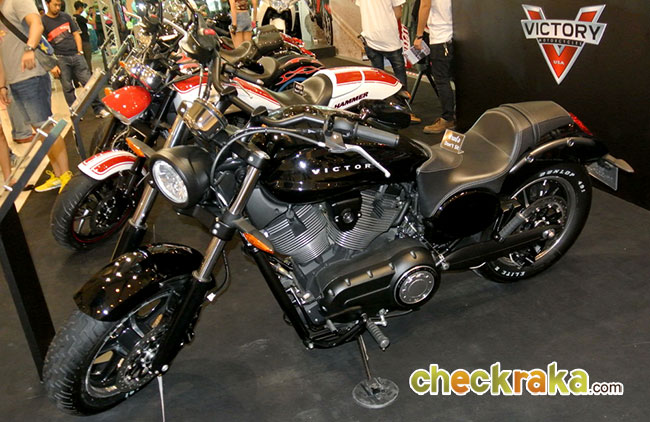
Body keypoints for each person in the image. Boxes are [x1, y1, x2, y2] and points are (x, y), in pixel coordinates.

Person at [0, 0, 72, 192]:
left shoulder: (16, 1)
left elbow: (37, 24)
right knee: (40, 131)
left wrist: (29, 49)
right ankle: (58, 174)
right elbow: (2, 53)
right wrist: (2, 85)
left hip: (31, 75)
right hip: (15, 80)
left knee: (46, 127)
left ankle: (66, 175)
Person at [42, 0, 109, 118]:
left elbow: (76, 34)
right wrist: (52, 64)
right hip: (60, 58)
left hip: (76, 54)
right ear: (47, 4)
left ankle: (98, 108)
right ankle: (76, 112)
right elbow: (44, 44)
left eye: (59, 5)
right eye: (55, 5)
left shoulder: (66, 17)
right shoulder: (43, 22)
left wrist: (80, 51)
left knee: (88, 83)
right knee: (68, 88)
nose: (57, 8)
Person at [356, 0, 420, 123]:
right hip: (389, 37)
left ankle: (380, 111)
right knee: (400, 75)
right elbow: (398, 13)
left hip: (370, 37)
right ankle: (403, 111)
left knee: (378, 77)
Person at [415, 0, 455, 134]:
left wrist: (419, 35)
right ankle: (453, 115)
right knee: (455, 79)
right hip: (453, 34)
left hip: (440, 36)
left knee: (441, 80)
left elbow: (425, 6)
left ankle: (448, 118)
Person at [72, 1, 92, 71]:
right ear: (80, 8)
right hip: (84, 40)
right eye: (82, 7)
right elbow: (92, 22)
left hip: (77, 42)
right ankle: (89, 73)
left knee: (82, 59)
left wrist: (88, 14)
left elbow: (85, 20)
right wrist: (94, 15)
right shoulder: (80, 17)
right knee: (88, 58)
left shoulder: (73, 17)